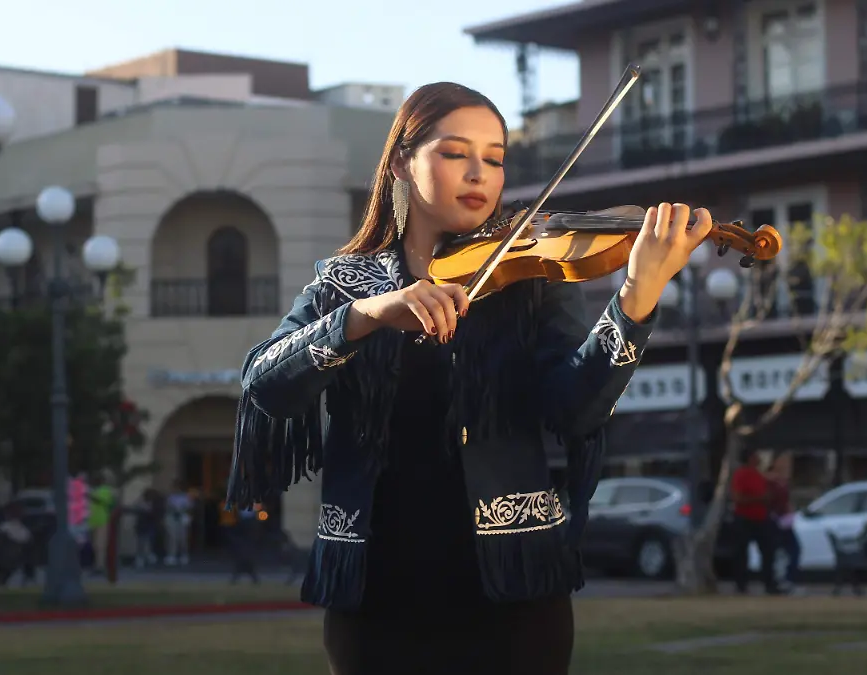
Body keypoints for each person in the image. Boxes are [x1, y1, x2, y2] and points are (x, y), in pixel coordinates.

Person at [224, 80, 712, 675]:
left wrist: (636, 298)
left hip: (512, 593)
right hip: (376, 595)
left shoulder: (531, 278)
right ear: (401, 163)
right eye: (456, 153)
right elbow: (263, 384)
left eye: (495, 159)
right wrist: (365, 317)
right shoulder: (342, 285)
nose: (479, 173)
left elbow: (576, 410)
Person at [729, 449, 780, 595]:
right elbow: (738, 498)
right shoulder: (741, 474)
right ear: (750, 458)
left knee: (768, 551)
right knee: (741, 552)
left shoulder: (757, 474)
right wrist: (760, 498)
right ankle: (741, 585)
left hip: (761, 518)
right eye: (756, 456)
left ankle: (769, 583)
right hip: (744, 518)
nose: (759, 458)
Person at [765, 451, 800, 593]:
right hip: (777, 522)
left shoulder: (783, 481)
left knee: (793, 551)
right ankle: (780, 580)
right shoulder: (770, 481)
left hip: (786, 522)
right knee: (780, 552)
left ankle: (787, 580)